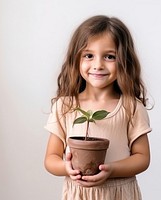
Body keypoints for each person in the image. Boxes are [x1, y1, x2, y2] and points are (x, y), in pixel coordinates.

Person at [44, 15, 152, 200]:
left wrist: (112, 170)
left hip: (120, 194)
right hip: (79, 194)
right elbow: (51, 158)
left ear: (124, 61)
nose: (98, 65)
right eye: (89, 55)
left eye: (110, 56)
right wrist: (68, 169)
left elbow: (142, 157)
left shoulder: (131, 107)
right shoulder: (65, 106)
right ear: (76, 59)